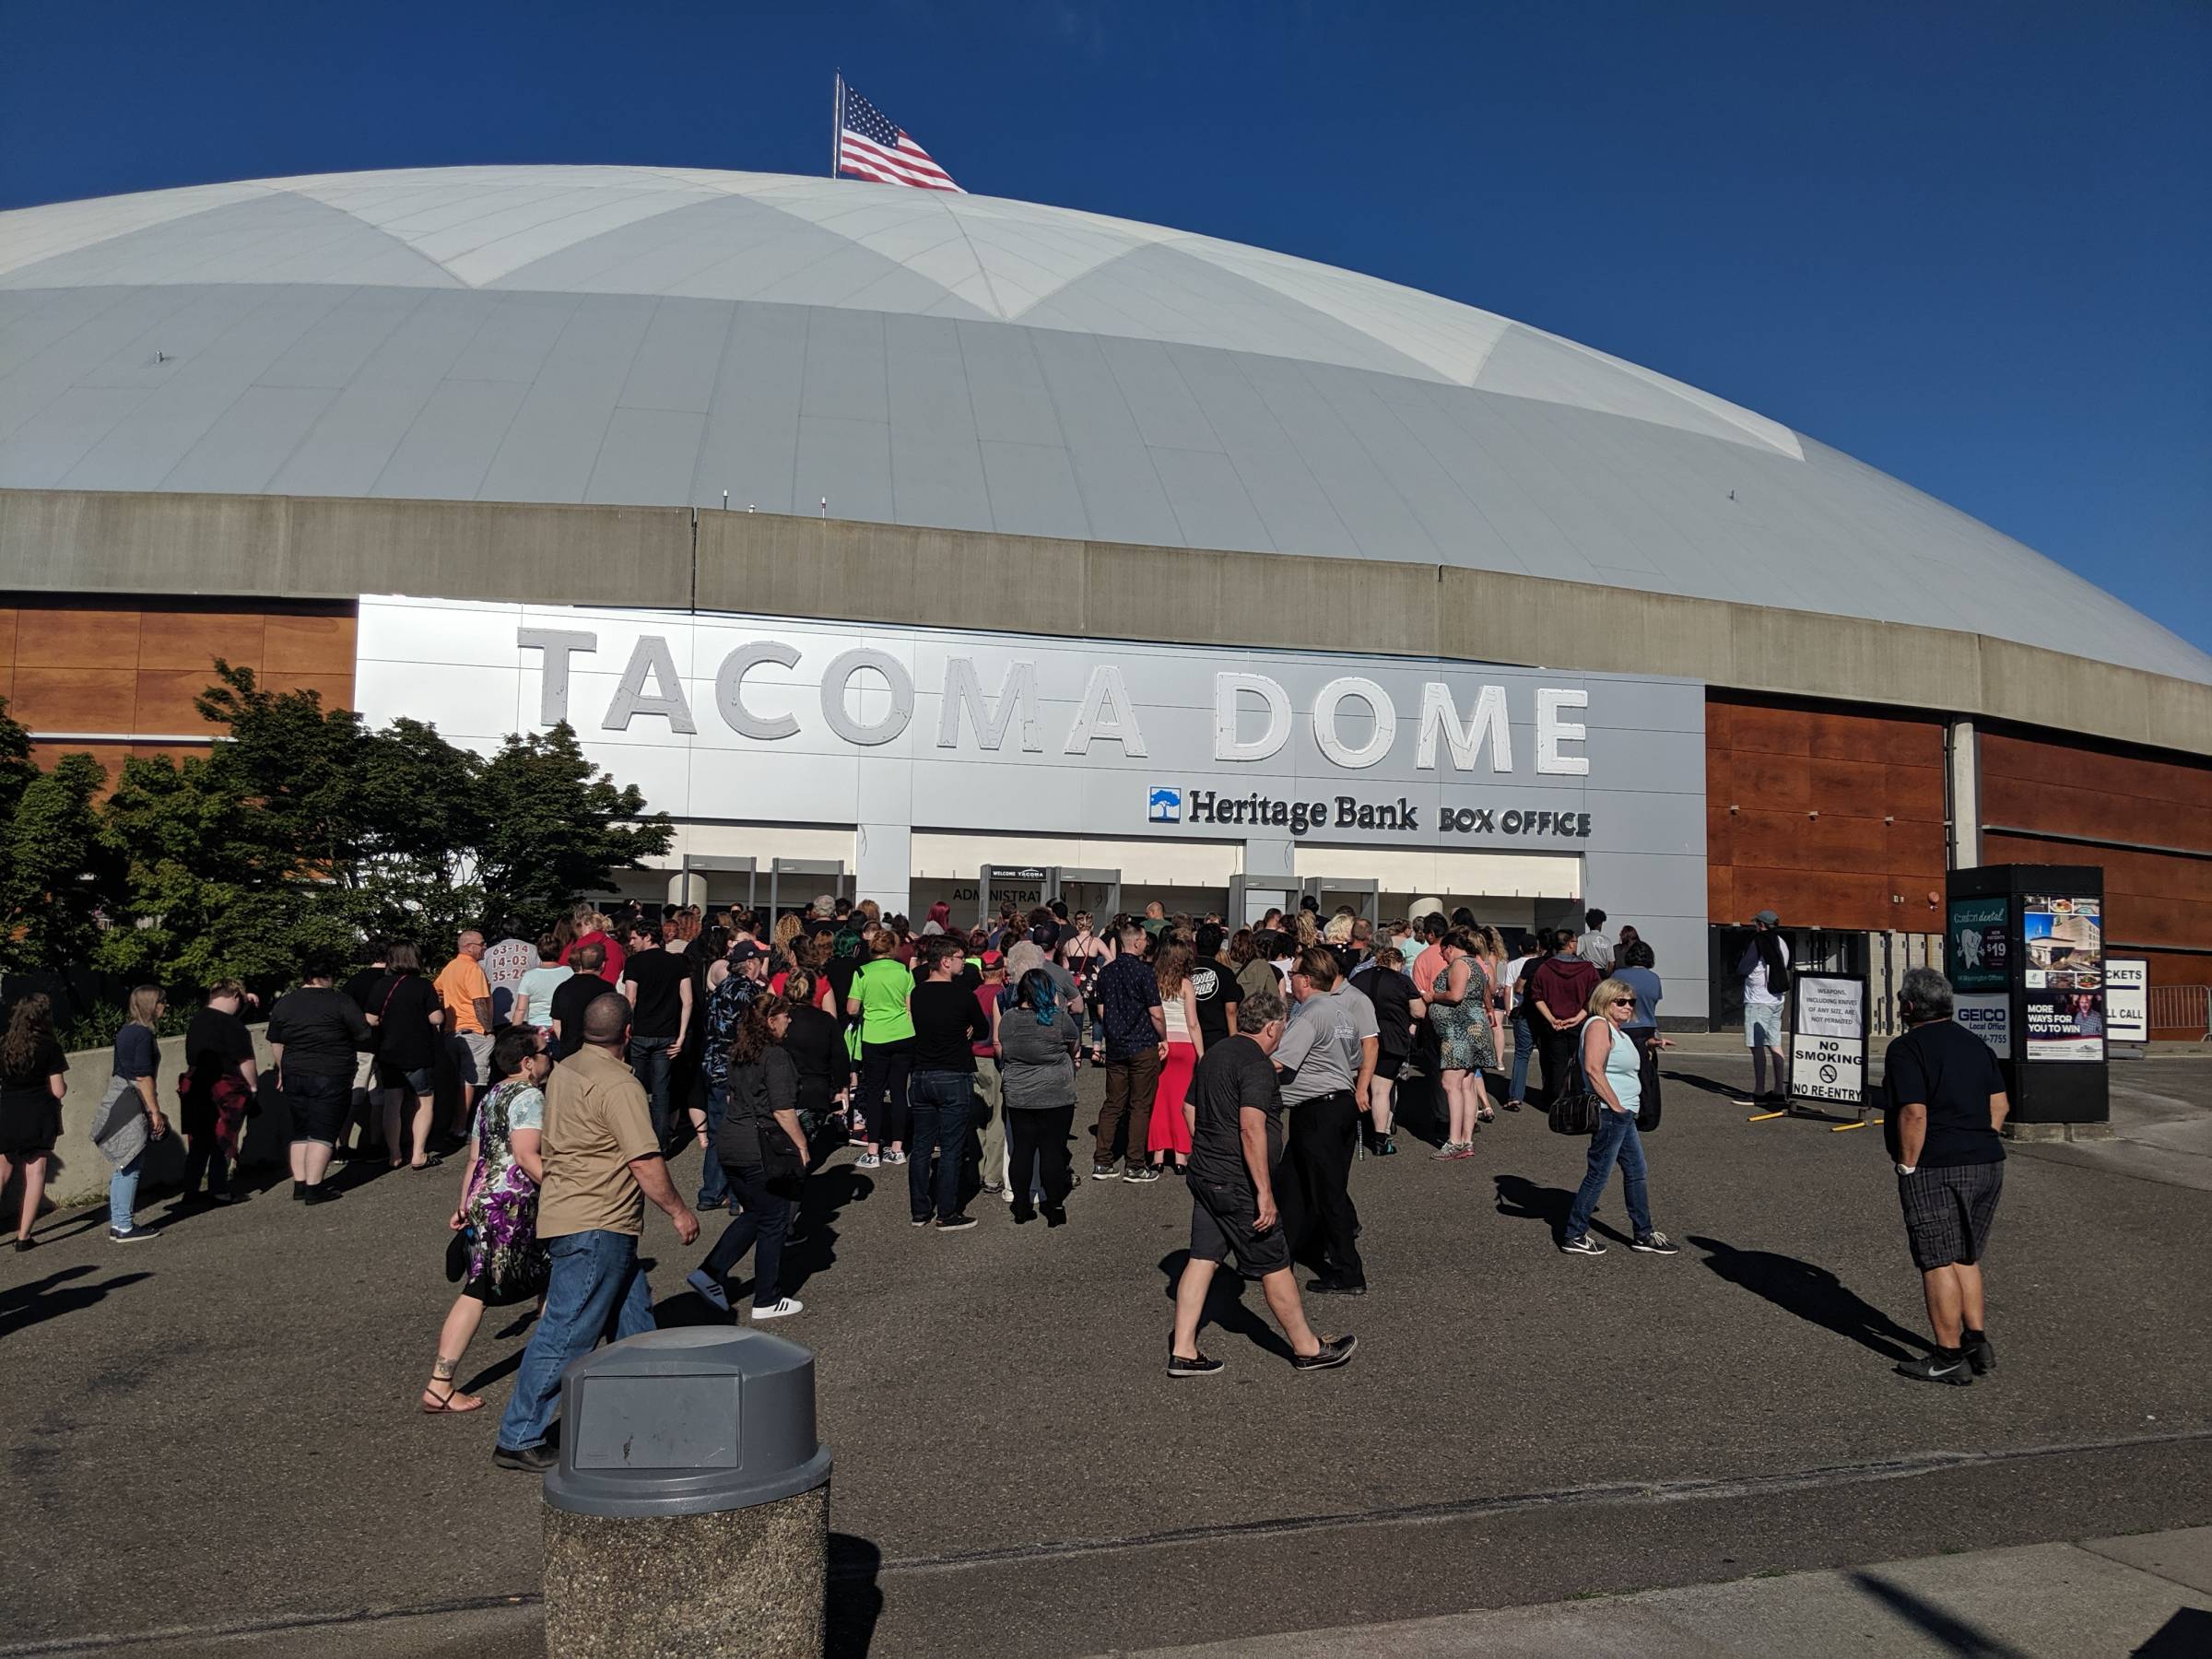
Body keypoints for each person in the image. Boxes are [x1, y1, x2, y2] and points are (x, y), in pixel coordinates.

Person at [493, 994, 700, 1471]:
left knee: (634, 1325)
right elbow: (645, 1161)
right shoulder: (619, 1086)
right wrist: (678, 1211)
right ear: (628, 1034)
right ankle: (519, 1433)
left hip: (575, 1213)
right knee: (567, 1331)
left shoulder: (565, 1069)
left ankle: (647, 1417)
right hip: (597, 1220)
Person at [1168, 987, 1357, 1377]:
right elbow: (1251, 1128)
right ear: (1271, 1027)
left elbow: (1190, 1106)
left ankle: (1183, 1349)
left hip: (1206, 1174)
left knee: (1203, 1258)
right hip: (1237, 1182)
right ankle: (1307, 1347)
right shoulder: (1255, 1066)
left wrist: (1206, 1147)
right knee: (1275, 1261)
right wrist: (1265, 1193)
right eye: (1283, 1028)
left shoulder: (1216, 1052)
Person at [1882, 967, 2009, 1386]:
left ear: (1910, 1005)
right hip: (1987, 1161)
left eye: (1902, 1000)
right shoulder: (1977, 1045)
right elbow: (1999, 1106)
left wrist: (1907, 1163)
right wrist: (1976, 1141)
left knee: (1936, 1258)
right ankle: (1976, 1340)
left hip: (1936, 1165)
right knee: (1965, 1255)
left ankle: (1948, 1355)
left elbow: (1914, 1111)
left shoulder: (1907, 1048)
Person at [423, 1029, 553, 1414]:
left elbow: (475, 1158)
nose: (549, 1057)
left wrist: (464, 1203)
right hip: (515, 1203)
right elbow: (527, 1155)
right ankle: (441, 1384)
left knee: (533, 1277)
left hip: (485, 1198)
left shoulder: (490, 1096)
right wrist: (569, 1188)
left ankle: (442, 1381)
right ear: (528, 1063)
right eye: (544, 1052)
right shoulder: (530, 1096)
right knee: (498, 1286)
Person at [688, 996, 810, 1319]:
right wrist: (801, 1145)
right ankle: (767, 1298)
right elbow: (783, 1110)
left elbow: (731, 1096)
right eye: (785, 1016)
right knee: (774, 1217)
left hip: (730, 1141)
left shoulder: (739, 1053)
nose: (789, 1021)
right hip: (759, 1144)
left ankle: (711, 1272)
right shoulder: (776, 1057)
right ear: (771, 1021)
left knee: (755, 1212)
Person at [1277, 947, 1378, 1295]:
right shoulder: (1340, 1012)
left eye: (1293, 975)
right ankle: (1280, 1258)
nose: (1290, 980)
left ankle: (1349, 1272)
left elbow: (1281, 1061)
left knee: (1327, 1193)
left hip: (1318, 1110)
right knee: (1292, 1185)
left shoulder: (1309, 1014)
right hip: (1338, 1106)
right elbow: (1353, 1056)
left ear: (1306, 980)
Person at [1559, 978, 1677, 1259]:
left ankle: (1644, 1233)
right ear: (1605, 1001)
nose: (1627, 1006)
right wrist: (1616, 1107)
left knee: (1636, 1171)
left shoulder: (1616, 1029)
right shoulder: (1599, 1025)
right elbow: (1593, 1069)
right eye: (1620, 1001)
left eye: (1631, 1002)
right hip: (1611, 1113)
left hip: (1621, 1114)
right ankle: (1574, 1234)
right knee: (1599, 1173)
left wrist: (1651, 1041)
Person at [268, 956, 371, 1205]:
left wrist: (282, 1069)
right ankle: (316, 1187)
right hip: (331, 1071)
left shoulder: (285, 1003)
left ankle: (300, 1184)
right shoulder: (339, 1000)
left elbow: (276, 1039)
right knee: (323, 1130)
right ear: (327, 977)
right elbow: (364, 1033)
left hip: (294, 1072)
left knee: (301, 1129)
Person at [906, 936, 993, 1230]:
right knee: (952, 1147)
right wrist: (965, 1028)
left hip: (921, 1074)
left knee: (921, 1146)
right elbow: (982, 1029)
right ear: (945, 961)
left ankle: (920, 1210)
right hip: (953, 1074)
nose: (963, 962)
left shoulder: (917, 994)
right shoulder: (962, 995)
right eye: (959, 957)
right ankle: (947, 1212)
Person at [995, 967, 1080, 1224]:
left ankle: (1021, 1205)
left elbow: (1004, 1048)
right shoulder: (1058, 1018)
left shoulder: (1009, 1018)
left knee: (1022, 1150)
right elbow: (1073, 1044)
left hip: (1020, 1093)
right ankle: (1053, 1206)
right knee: (1052, 1150)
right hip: (1056, 1092)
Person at [92, 986, 169, 1242]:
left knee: (123, 1164)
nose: (165, 1006)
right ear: (151, 1005)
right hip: (132, 1102)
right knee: (131, 1163)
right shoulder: (142, 1035)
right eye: (161, 1002)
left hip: (120, 1098)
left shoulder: (126, 1031)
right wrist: (154, 1111)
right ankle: (124, 1225)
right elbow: (142, 1076)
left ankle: (119, 1223)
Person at [1091, 920, 1165, 1182]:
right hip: (1142, 1043)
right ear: (1136, 942)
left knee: (1113, 1103)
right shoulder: (1145, 972)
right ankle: (1135, 1164)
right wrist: (1163, 1037)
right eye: (1144, 939)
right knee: (1140, 1105)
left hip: (1117, 1045)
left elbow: (1100, 1009)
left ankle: (1102, 1160)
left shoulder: (1107, 972)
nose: (1146, 942)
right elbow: (1156, 1013)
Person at [179, 981, 259, 1206]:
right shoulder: (233, 1026)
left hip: (196, 1087)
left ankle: (191, 1190)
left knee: (199, 1141)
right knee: (223, 1140)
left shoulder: (197, 1020)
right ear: (235, 996)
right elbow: (245, 1060)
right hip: (226, 1088)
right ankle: (219, 1189)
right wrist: (252, 1087)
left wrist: (246, 1001)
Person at [368, 943, 444, 1170]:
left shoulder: (381, 985)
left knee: (393, 1101)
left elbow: (370, 1019)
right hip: (418, 1051)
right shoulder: (422, 985)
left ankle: (395, 1154)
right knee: (424, 1099)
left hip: (389, 1051)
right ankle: (418, 1153)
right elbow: (436, 1018)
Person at [1, 993, 68, 1249]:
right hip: (38, 1114)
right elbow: (58, 1090)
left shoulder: (4, 1045)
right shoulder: (49, 1046)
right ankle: (23, 1237)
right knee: (35, 1171)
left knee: (2, 1171)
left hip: (7, 1111)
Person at [1425, 927, 1496, 1159]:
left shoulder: (1459, 965)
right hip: (1475, 1026)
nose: (1441, 956)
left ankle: (1454, 1141)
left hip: (1460, 1030)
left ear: (1451, 948)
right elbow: (1485, 993)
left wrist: (1432, 996)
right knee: (1466, 1084)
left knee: (1450, 1083)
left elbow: (1455, 995)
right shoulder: (1476, 964)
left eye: (1443, 952)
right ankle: (1466, 1141)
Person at [848, 930, 916, 1171]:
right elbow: (911, 1007)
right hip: (903, 1034)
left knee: (875, 1093)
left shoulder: (862, 972)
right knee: (899, 1091)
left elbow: (852, 1008)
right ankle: (897, 1148)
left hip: (874, 1036)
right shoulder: (905, 971)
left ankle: (873, 1149)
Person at [1147, 942, 1205, 1175]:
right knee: (1183, 1101)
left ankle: (1158, 1154)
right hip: (1184, 1046)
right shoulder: (1186, 984)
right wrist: (1201, 1053)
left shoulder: (1154, 982)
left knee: (1159, 1101)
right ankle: (1181, 1156)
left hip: (1162, 1044)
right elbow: (1192, 1022)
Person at [1358, 947, 1421, 1156]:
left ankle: (1359, 1132)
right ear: (1399, 963)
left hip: (1361, 1037)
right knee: (1381, 1090)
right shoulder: (1402, 981)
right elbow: (1419, 1011)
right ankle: (1381, 1139)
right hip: (1392, 1039)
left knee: (1360, 1085)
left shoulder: (1360, 977)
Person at [1528, 930, 1599, 1105]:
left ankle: (1556, 1101)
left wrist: (1551, 1018)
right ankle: (1578, 1101)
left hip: (1554, 1024)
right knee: (1580, 1063)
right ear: (1569, 944)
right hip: (1579, 1023)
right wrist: (1579, 1016)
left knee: (1556, 1064)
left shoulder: (1544, 969)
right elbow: (1595, 996)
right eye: (1575, 941)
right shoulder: (1587, 969)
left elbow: (1537, 996)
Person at [434, 931, 495, 1135]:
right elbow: (479, 1001)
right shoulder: (472, 968)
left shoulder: (450, 967)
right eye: (482, 943)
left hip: (453, 1031)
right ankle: (460, 1127)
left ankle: (451, 1124)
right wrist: (487, 1028)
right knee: (471, 1081)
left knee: (455, 1080)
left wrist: (447, 1012)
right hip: (474, 1032)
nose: (485, 946)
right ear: (469, 946)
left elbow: (437, 990)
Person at [1614, 938, 1671, 1121]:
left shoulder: (1618, 975)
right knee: (1646, 1073)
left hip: (1624, 1028)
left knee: (1622, 1071)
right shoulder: (1654, 978)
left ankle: (1621, 1108)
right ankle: (1649, 1113)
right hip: (1647, 1027)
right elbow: (1654, 1001)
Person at [1740, 908, 1792, 1106]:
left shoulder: (1759, 941)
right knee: (1775, 1044)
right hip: (1777, 998)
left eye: (1756, 923)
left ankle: (1759, 1091)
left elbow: (1744, 967)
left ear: (1761, 924)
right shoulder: (1782, 943)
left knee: (1757, 1046)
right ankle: (1779, 1089)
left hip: (1758, 999)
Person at [1500, 931, 1545, 1112]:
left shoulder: (1513, 965)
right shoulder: (1543, 964)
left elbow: (1508, 989)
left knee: (1521, 1055)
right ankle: (1547, 1092)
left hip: (1522, 1012)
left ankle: (1515, 1096)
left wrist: (1508, 1010)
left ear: (1520, 948)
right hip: (1542, 1013)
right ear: (1538, 947)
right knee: (1546, 1055)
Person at [547, 940, 606, 1059]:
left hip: (569, 1051)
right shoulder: (606, 989)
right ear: (603, 965)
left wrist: (564, 1042)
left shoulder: (563, 988)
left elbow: (556, 1022)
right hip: (598, 1051)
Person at [513, 934, 573, 1034]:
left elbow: (520, 1009)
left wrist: (513, 1034)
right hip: (564, 1027)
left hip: (537, 1028)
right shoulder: (570, 973)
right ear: (560, 952)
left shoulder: (530, 976)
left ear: (539, 952)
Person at [1577, 908, 1615, 973]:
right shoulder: (1607, 940)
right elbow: (1611, 963)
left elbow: (1577, 954)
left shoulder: (1583, 938)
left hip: (1588, 971)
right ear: (1600, 924)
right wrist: (1607, 975)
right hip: (1603, 972)